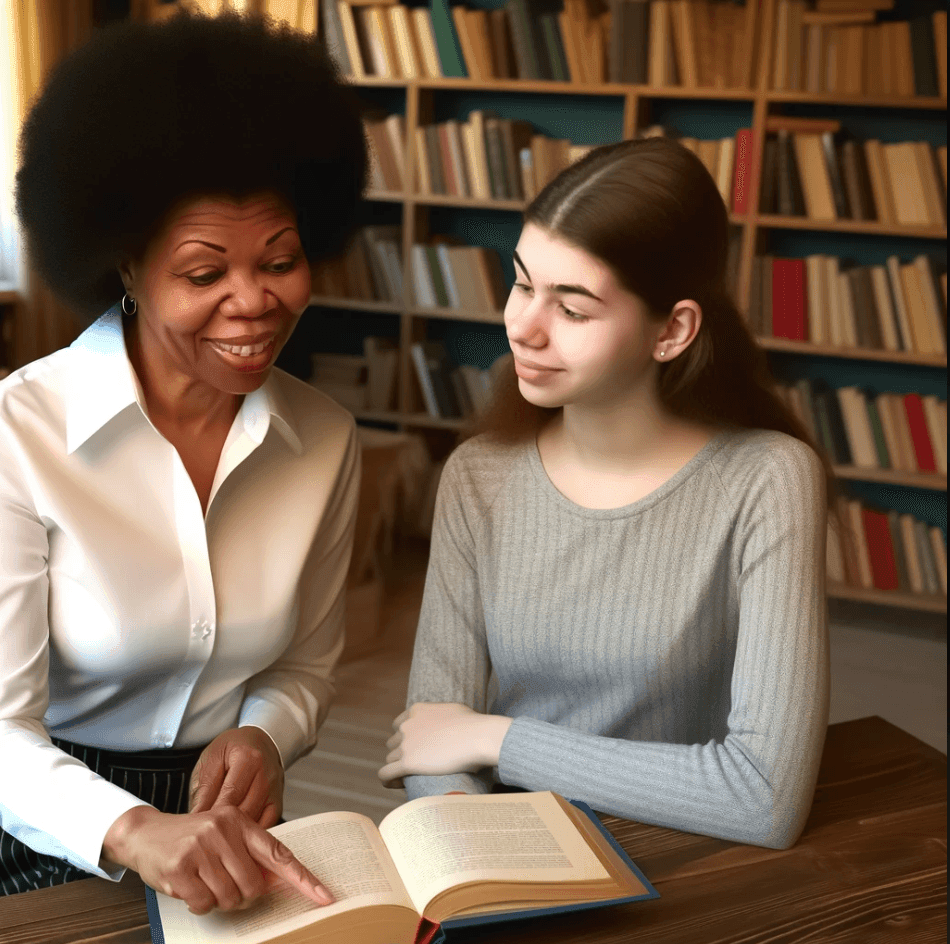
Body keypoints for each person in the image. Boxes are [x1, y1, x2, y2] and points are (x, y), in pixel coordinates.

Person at [0, 8, 367, 914]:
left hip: (231, 837)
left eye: (280, 261)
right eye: (204, 274)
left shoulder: (323, 440)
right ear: (125, 265)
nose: (254, 302)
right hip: (41, 825)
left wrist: (267, 738)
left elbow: (307, 668)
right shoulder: (22, 434)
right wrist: (130, 830)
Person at [378, 136, 837, 851]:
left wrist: (498, 739)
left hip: (683, 856)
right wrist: (486, 869)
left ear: (673, 330)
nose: (522, 328)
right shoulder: (478, 474)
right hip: (505, 850)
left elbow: (762, 798)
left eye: (573, 309)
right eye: (524, 284)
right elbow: (431, 742)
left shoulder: (768, 479)